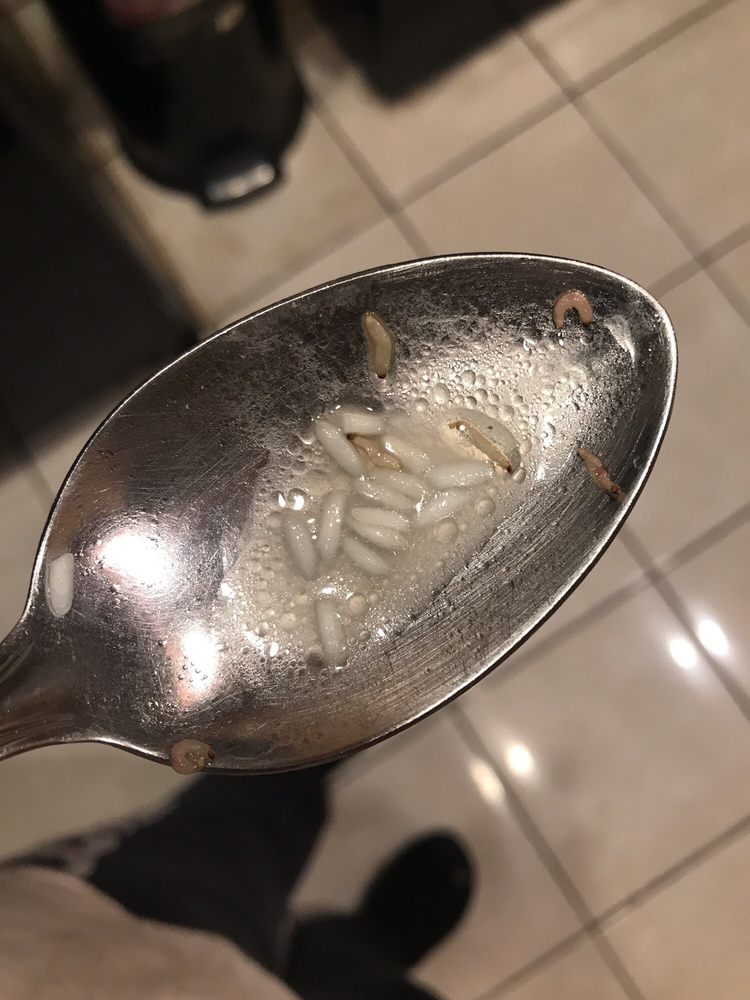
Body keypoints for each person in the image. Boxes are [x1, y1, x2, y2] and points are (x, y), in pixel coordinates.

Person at [0, 764, 473, 998]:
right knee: (367, 985)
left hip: (90, 940)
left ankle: (298, 752)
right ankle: (361, 950)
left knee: (259, 799)